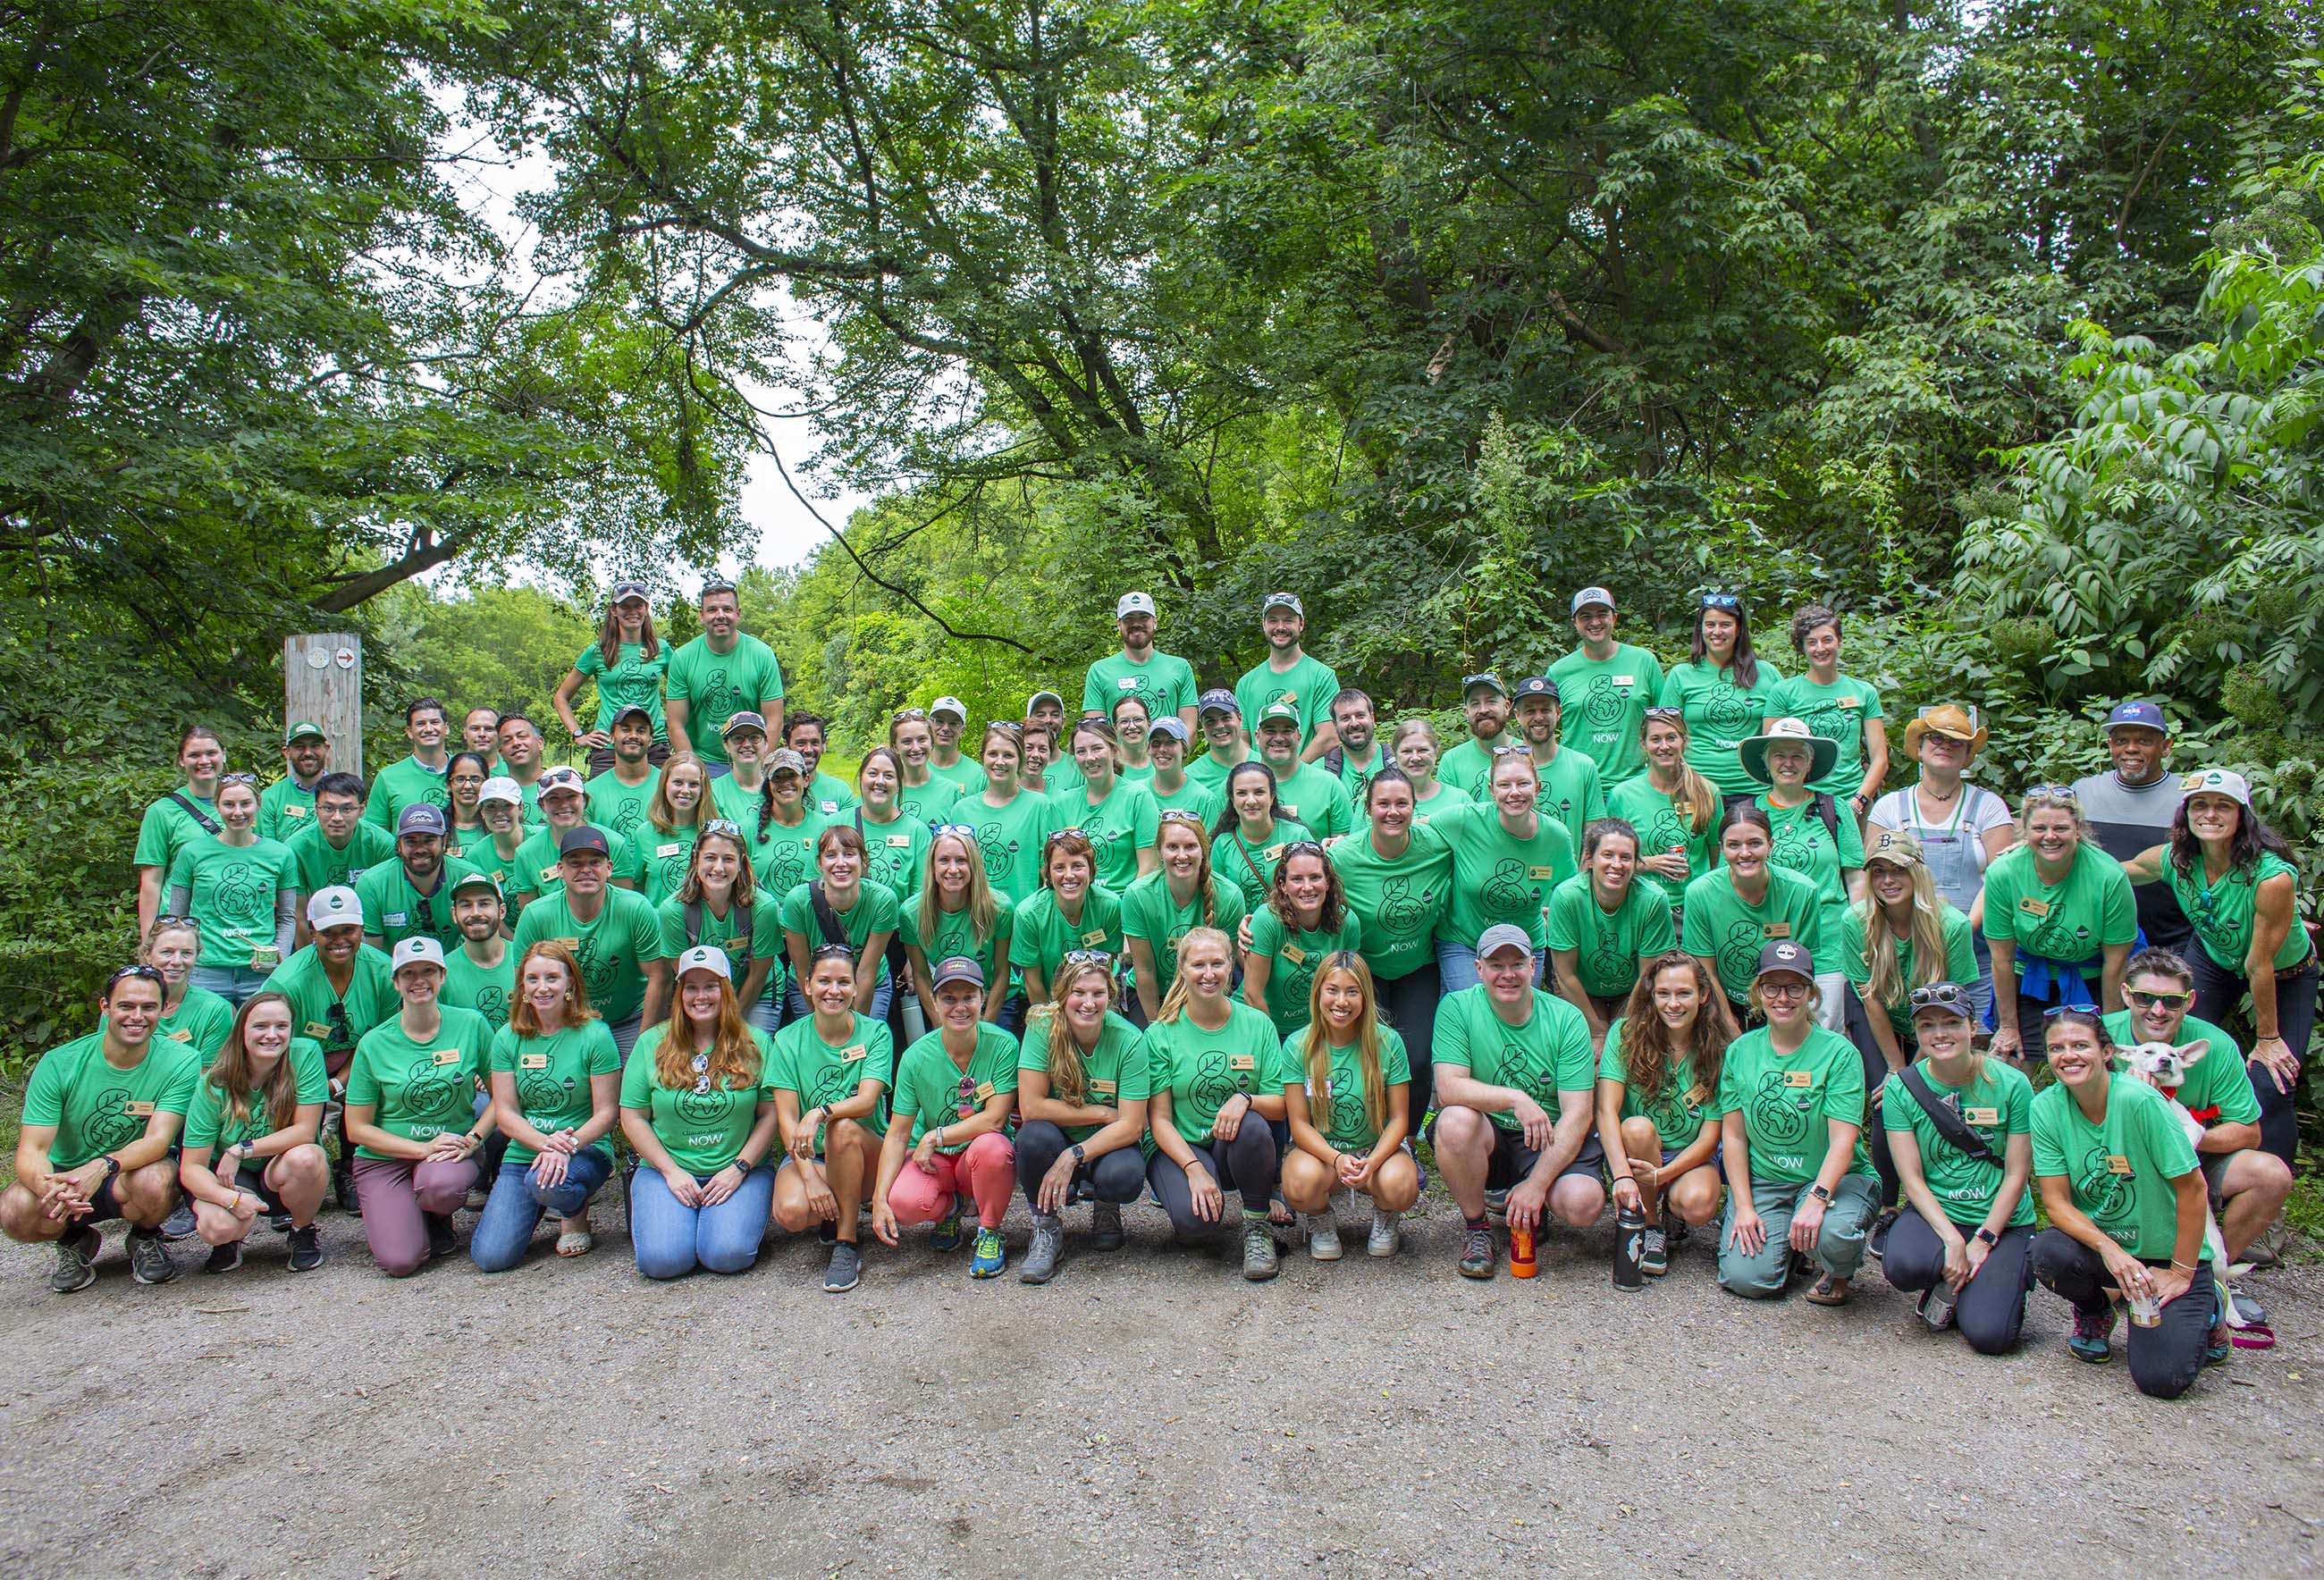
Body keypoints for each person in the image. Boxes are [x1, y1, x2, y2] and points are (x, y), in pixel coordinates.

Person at [2123, 769, 2312, 1174]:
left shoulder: (2271, 877)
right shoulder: (2175, 859)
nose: (2210, 814)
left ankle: (2267, 1179)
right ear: (2186, 814)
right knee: (2172, 1049)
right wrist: (2048, 852)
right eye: (2200, 805)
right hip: (2213, 957)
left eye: (2223, 806)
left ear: (2242, 815)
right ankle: (2182, 1161)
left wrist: (2268, 1039)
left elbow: (2258, 964)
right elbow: (2121, 871)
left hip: (2282, 972)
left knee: (2272, 1078)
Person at [2030, 1009, 2213, 1396]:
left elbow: (2194, 1188)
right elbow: (2057, 1203)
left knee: (2161, 1380)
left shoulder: (2140, 1101)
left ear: (2107, 1051)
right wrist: (2109, 1248)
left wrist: (2181, 1271)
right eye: (2057, 1048)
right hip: (2111, 1251)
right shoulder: (2045, 1107)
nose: (2068, 1055)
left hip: (2170, 1255)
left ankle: (2208, 1303)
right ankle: (2096, 1310)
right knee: (2048, 1252)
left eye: (2081, 1045)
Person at [2103, 949, 2289, 1287]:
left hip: (2192, 1156)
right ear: (2126, 995)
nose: (2158, 1011)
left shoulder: (2215, 1045)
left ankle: (2210, 1274)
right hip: (2117, 1157)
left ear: (2189, 1002)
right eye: (2145, 998)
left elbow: (2248, 1132)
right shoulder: (2099, 1037)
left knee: (2271, 1175)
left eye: (2171, 1002)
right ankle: (2110, 1275)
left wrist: (2184, 1134)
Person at [3, 965, 196, 1290]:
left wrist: (101, 1167)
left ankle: (146, 1237)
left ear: (163, 1010)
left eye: (148, 1007)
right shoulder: (59, 1063)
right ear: (105, 1007)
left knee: (157, 1180)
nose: (137, 1016)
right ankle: (74, 1239)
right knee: (14, 1210)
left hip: (126, 1172)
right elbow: (32, 1149)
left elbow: (158, 1140)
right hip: (65, 1175)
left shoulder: (180, 1060)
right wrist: (50, 1188)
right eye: (126, 1006)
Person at [1714, 939, 1880, 1304]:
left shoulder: (1839, 1054)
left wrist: (1817, 1199)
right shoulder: (1741, 1051)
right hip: (1768, 1182)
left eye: (1795, 987)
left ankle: (1838, 1268)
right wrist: (1743, 1206)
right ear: (1758, 993)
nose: (1782, 998)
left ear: (1811, 994)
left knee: (1832, 1236)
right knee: (1747, 1281)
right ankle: (1791, 1246)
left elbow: (1843, 1141)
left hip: (1832, 1180)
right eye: (1772, 987)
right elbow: (1735, 1137)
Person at [1431, 924, 1600, 1278]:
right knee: (1454, 1122)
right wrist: (1514, 1097)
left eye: (1517, 964)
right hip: (1491, 1136)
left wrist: (1537, 1185)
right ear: (1479, 969)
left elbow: (1579, 1113)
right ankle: (1477, 1229)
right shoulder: (1457, 1007)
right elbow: (1449, 1088)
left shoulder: (1567, 1019)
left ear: (1534, 966)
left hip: (1547, 1136)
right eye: (1496, 965)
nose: (1507, 974)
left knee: (1584, 1204)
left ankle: (1533, 1202)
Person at [1878, 981, 2038, 1352]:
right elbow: (1911, 1178)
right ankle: (1948, 1275)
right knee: (1902, 1265)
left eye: (1950, 1022)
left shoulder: (2012, 1084)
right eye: (1927, 1026)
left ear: (1972, 1026)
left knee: (1990, 1336)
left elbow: (2017, 1174)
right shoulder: (1904, 1088)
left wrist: (1982, 1241)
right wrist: (1952, 1239)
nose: (1940, 1034)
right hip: (1941, 1211)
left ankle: (1992, 1282)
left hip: (2002, 1219)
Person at [620, 945, 780, 1280]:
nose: (700, 996)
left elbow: (770, 1115)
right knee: (663, 1262)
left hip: (738, 1169)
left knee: (727, 1255)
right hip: (668, 1170)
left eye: (711, 986)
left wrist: (739, 1168)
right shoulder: (651, 1042)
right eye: (690, 987)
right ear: (679, 993)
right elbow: (632, 1116)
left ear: (727, 990)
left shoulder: (756, 1043)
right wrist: (670, 1172)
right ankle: (682, 1221)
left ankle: (725, 1224)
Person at [1839, 828, 1977, 1212]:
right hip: (1878, 1016)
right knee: (1887, 1100)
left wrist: (1913, 1071)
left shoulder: (1952, 925)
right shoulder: (1857, 921)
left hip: (1937, 1021)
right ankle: (1884, 1206)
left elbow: (1952, 1007)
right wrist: (1897, 1069)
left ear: (1918, 871)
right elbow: (1870, 998)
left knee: (1927, 1097)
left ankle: (1938, 1200)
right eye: (1878, 871)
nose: (1887, 880)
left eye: (1897, 870)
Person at [1141, 927, 1288, 1280]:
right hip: (1182, 1144)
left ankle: (1256, 1226)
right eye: (1199, 965)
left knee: (1252, 1123)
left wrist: (1245, 1099)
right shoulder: (1161, 1034)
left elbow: (1281, 1104)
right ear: (1182, 970)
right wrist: (1193, 1169)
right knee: (1196, 1225)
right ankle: (1197, 1196)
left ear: (1230, 968)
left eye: (1218, 964)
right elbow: (1158, 1121)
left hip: (1234, 1142)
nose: (1209, 974)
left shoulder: (1257, 1024)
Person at [345, 938, 496, 1274]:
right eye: (408, 973)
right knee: (400, 1262)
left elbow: (503, 1096)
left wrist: (474, 1138)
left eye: (428, 970)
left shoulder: (471, 1025)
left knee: (439, 1187)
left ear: (443, 975)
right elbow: (357, 1128)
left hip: (450, 1151)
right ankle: (411, 1217)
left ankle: (435, 1214)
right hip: (385, 1158)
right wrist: (420, 1148)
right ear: (395, 981)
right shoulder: (373, 1043)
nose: (419, 980)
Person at [471, 939, 622, 1269]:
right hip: (526, 1152)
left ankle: (573, 1212)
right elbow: (505, 1112)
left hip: (584, 1149)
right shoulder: (507, 1038)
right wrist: (543, 1144)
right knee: (490, 1258)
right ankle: (541, 1197)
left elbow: (608, 1113)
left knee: (544, 1181)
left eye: (552, 978)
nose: (542, 987)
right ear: (522, 986)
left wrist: (564, 1146)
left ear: (570, 983)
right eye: (533, 979)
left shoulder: (596, 1035)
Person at [1868, 704, 2017, 1021]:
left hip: (1975, 947)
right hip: (1904, 948)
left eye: (1956, 741)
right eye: (1935, 738)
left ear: (1967, 755)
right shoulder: (1890, 807)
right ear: (1919, 749)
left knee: (1974, 1034)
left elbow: (2001, 881)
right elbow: (1874, 878)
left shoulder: (1989, 807)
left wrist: (1961, 929)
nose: (1945, 746)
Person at [872, 956, 1018, 1277]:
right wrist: (879, 1197)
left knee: (994, 1148)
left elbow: (994, 1119)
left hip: (975, 1154)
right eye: (949, 999)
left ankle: (989, 1231)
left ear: (983, 999)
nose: (960, 1007)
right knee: (904, 1203)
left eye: (969, 997)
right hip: (935, 1160)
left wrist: (934, 1136)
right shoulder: (915, 1057)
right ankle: (949, 1211)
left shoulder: (1003, 1045)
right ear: (934, 1004)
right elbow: (897, 1134)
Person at [1014, 954, 1151, 1282]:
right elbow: (1031, 1107)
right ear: (1062, 994)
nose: (1088, 1003)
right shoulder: (1041, 1027)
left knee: (1126, 1175)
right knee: (1031, 1140)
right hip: (1059, 1134)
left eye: (1098, 994)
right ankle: (1045, 1229)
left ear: (1111, 996)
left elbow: (1132, 1125)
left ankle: (1106, 1207)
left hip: (1107, 1143)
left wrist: (1074, 1155)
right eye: (1079, 992)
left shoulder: (1129, 1040)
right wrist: (1102, 1112)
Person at [1326, 770, 1452, 1122]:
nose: (1393, 812)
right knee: (1366, 1053)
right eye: (1383, 804)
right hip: (1365, 969)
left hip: (1419, 966)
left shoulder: (1439, 846)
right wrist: (1254, 922)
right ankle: (1363, 1132)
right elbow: (1305, 893)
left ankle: (1408, 1137)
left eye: (1402, 803)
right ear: (1368, 809)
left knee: (1417, 1056)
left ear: (1415, 807)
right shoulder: (1343, 857)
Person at [1596, 952, 1733, 1275]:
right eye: (1663, 994)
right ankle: (1651, 1225)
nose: (1673, 1004)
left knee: (1700, 1205)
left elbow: (1711, 1135)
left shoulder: (1719, 1047)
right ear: (1651, 995)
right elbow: (1605, 1110)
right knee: (1638, 1129)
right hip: (1638, 1149)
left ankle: (1671, 1205)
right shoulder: (1626, 1033)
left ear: (1703, 995)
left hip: (1689, 1153)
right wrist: (1623, 1177)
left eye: (1684, 993)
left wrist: (1662, 1176)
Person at [1278, 953, 1419, 1260]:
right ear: (1318, 993)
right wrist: (1336, 1157)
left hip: (1375, 1150)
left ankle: (1385, 1215)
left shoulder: (1388, 1043)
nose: (1341, 1001)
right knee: (1299, 1182)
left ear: (1365, 996)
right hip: (1322, 1153)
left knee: (1402, 1186)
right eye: (1333, 990)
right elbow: (1299, 1124)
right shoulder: (1298, 1047)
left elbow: (1399, 1120)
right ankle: (1320, 1220)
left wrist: (1373, 1160)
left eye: (1352, 992)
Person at [263, 887, 397, 1209]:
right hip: (299, 1062)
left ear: (362, 930)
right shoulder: (289, 980)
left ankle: (351, 1167)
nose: (340, 940)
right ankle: (291, 1175)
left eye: (348, 930)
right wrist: (313, 1086)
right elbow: (270, 1040)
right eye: (328, 932)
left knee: (378, 1083)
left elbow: (385, 1038)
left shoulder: (382, 970)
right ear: (312, 933)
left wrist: (341, 1081)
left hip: (362, 1058)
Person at [176, 990, 328, 1274]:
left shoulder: (304, 1055)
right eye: (260, 1026)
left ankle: (302, 1229)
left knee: (308, 1157)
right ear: (241, 1030)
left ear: (291, 1029)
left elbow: (306, 1131)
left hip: (279, 1168)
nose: (271, 1035)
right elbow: (191, 1169)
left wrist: (241, 1148)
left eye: (281, 1027)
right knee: (217, 1227)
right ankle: (230, 1241)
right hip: (231, 1178)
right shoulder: (214, 1083)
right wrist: (231, 1200)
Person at [770, 944, 893, 1293]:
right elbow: (785, 1120)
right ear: (807, 985)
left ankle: (846, 1241)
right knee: (791, 1213)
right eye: (824, 981)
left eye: (843, 982)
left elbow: (867, 1101)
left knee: (842, 1127)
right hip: (814, 1158)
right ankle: (840, 1206)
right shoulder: (787, 1041)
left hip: (865, 1153)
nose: (833, 991)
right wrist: (809, 1178)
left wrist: (820, 1112)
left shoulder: (875, 1034)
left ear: (856, 988)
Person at [1983, 786, 2137, 1062]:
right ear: (2025, 830)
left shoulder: (2108, 875)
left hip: (2092, 975)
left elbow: (2115, 964)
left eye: (2061, 829)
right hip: (2028, 975)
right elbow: (2001, 958)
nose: (2050, 837)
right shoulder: (2003, 872)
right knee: (2013, 1061)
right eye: (2040, 828)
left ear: (2077, 829)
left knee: (2092, 1062)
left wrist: (2111, 1031)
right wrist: (2007, 1026)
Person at [1740, 717, 1865, 1030]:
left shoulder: (1834, 810)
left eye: (1797, 755)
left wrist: (1861, 936)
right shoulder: (1748, 813)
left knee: (1826, 1029)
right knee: (1773, 1029)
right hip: (1766, 941)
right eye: (1779, 755)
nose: (1788, 763)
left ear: (1810, 763)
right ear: (1766, 763)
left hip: (1828, 942)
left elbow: (1856, 879)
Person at [509, 828, 669, 1055]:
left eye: (595, 862)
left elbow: (658, 976)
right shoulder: (537, 915)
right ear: (560, 870)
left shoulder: (636, 908)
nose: (586, 870)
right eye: (575, 863)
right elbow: (523, 980)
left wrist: (643, 1043)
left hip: (630, 1019)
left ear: (609, 868)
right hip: (565, 1019)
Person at [1427, 750, 1576, 994]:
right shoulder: (1466, 821)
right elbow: (1406, 829)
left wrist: (1557, 913)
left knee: (1514, 1013)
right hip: (1465, 941)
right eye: (1504, 785)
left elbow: (1571, 890)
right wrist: (1347, 844)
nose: (1514, 792)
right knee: (1474, 1008)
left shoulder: (1556, 837)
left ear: (1537, 788)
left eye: (1523, 783)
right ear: (1491, 790)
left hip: (1524, 944)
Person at [164, 772, 299, 1005]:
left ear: (258, 803)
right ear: (217, 806)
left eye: (245, 804)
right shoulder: (192, 853)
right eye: (229, 804)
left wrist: (279, 954)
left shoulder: (281, 854)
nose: (238, 812)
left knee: (259, 1037)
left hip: (259, 970)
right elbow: (177, 917)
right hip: (206, 969)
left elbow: (287, 916)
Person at [1681, 803, 1823, 1022]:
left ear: (1771, 845)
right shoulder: (1700, 893)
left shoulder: (1802, 892)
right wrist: (1728, 1024)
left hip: (1782, 1000)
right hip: (1723, 1002)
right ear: (1722, 848)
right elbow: (1706, 971)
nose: (1744, 853)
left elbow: (1801, 969)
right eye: (1734, 845)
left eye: (1754, 843)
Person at [2073, 699, 2191, 954]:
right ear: (2110, 746)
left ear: (2166, 746)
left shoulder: (2190, 798)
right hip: (2095, 939)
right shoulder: (2082, 793)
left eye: (2144, 741)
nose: (2131, 749)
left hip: (2174, 939)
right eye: (2121, 741)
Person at [1548, 819, 1677, 1047]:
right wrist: (1597, 1030)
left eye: (1626, 858)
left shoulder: (1652, 900)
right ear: (1589, 859)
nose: (1617, 865)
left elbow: (1648, 976)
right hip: (1581, 989)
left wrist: (1619, 1029)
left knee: (1626, 1047)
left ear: (1636, 863)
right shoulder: (1567, 897)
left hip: (1633, 991)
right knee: (1590, 1049)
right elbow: (1565, 975)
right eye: (1608, 855)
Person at [1124, 810, 1247, 1022]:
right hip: (1154, 995)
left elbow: (1226, 965)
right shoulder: (1138, 895)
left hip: (1208, 990)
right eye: (1173, 847)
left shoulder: (1229, 896)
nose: (1182, 856)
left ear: (1203, 850)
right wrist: (1157, 1026)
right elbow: (1145, 970)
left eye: (1190, 846)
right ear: (1160, 852)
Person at [1658, 592, 1782, 803]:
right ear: (1701, 629)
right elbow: (1665, 734)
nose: (1717, 632)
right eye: (1710, 625)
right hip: (1697, 788)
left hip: (1755, 789)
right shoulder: (1681, 675)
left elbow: (1784, 733)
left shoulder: (1767, 674)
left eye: (1725, 625)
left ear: (1739, 629)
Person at [657, 825, 782, 1033]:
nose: (719, 868)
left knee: (748, 1052)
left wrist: (729, 1025)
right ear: (696, 858)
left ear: (741, 863)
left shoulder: (763, 908)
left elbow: (758, 975)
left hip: (755, 993)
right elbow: (688, 979)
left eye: (728, 859)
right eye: (710, 858)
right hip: (702, 995)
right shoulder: (673, 911)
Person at [662, 576, 784, 774]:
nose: (720, 615)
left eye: (727, 609)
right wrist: (692, 769)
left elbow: (774, 720)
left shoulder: (762, 654)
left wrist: (759, 766)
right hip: (704, 761)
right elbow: (676, 723)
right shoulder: (683, 657)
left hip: (751, 760)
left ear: (738, 614)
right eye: (712, 610)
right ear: (702, 615)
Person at [779, 825, 901, 1021]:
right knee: (819, 1045)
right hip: (812, 984)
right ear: (819, 863)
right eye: (831, 855)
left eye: (850, 854)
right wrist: (824, 1023)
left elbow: (866, 972)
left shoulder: (883, 900)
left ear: (864, 861)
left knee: (863, 1043)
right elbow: (803, 970)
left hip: (869, 983)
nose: (841, 863)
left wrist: (854, 1030)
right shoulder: (797, 902)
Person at [1772, 605, 1887, 811]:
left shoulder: (1864, 692)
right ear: (1802, 648)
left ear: (1839, 641)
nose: (1820, 648)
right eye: (1811, 642)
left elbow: (1880, 759)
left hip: (1852, 799)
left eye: (1827, 640)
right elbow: (1772, 755)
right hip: (1799, 802)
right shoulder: (1783, 692)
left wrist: (1858, 801)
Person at [1606, 709, 1720, 913]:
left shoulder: (1707, 792)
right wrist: (1648, 863)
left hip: (1695, 908)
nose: (1664, 746)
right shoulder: (1623, 795)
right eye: (1656, 739)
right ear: (1644, 744)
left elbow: (1716, 855)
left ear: (1683, 741)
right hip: (1642, 906)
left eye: (1671, 738)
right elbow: (1607, 862)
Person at [1244, 843, 1364, 1038]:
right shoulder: (1267, 920)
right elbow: (1252, 994)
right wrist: (1273, 1042)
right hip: (1268, 1026)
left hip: (1319, 1028)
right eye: (1297, 879)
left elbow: (1349, 985)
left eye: (1315, 877)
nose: (1307, 887)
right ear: (1283, 886)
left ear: (1327, 882)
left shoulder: (1347, 923)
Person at [1549, 587, 1663, 786]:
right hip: (1579, 783)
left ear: (1615, 618)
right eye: (1585, 616)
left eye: (1602, 614)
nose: (1595, 622)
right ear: (1574, 623)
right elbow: (1542, 728)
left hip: (1636, 783)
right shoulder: (1558, 672)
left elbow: (1666, 721)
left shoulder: (1644, 661)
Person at [555, 580, 671, 773]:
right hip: (609, 746)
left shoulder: (662, 649)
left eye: (638, 605)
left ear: (646, 609)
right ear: (614, 610)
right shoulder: (598, 651)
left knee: (659, 802)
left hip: (654, 744)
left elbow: (682, 693)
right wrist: (578, 735)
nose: (632, 611)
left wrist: (673, 725)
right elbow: (561, 698)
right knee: (601, 801)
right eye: (625, 606)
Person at [905, 827, 1013, 1027]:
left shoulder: (1000, 908)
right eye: (944, 860)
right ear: (932, 865)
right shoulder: (911, 913)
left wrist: (986, 1025)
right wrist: (941, 1026)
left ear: (974, 865)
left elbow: (1001, 970)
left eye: (961, 860)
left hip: (993, 1001)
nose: (953, 869)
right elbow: (920, 973)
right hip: (945, 1006)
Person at [1008, 829, 1124, 1007]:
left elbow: (1106, 972)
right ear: (1048, 872)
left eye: (1077, 866)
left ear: (1091, 870)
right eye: (1059, 867)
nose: (1069, 875)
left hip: (1092, 1003)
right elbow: (1034, 983)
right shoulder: (1029, 914)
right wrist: (1051, 1022)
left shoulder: (1110, 906)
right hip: (1044, 1001)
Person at [134, 724, 227, 939]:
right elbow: (151, 881)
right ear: (181, 760)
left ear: (223, 755)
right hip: (181, 929)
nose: (204, 761)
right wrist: (149, 940)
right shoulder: (161, 812)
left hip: (232, 924)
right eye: (194, 755)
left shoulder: (244, 807)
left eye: (211, 753)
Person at [1051, 718, 1159, 892]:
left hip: (1125, 904)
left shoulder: (1137, 797)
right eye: (1081, 751)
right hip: (1078, 904)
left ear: (1114, 750)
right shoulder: (1062, 804)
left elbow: (1149, 866)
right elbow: (1054, 867)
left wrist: (1127, 908)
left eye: (1097, 748)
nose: (1090, 758)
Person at [358, 804, 483, 954]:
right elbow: (373, 956)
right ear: (398, 845)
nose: (420, 849)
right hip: (394, 973)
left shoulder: (469, 878)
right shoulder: (372, 884)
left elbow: (479, 948)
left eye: (429, 840)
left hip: (454, 972)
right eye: (411, 841)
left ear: (444, 842)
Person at [512, 765, 641, 910]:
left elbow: (625, 904)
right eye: (554, 798)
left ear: (584, 800)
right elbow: (531, 914)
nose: (563, 804)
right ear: (543, 805)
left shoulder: (613, 843)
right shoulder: (526, 853)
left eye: (571, 796)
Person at [1234, 592, 1341, 761]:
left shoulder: (1322, 676)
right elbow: (1241, 741)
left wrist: (1292, 773)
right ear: (1264, 625)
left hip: (1306, 781)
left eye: (1289, 620)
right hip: (1260, 784)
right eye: (1273, 620)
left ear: (1301, 624)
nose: (1280, 627)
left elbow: (1329, 736)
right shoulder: (1246, 683)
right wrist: (1260, 777)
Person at [961, 721, 1053, 911]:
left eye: (1009, 755)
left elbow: (1050, 871)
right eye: (993, 754)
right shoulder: (962, 810)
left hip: (1024, 918)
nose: (1000, 762)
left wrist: (1036, 916)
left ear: (1020, 759)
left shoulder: (1039, 805)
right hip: (975, 917)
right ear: (982, 757)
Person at [1509, 675, 1604, 852]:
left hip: (1569, 876)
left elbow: (1594, 834)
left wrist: (1582, 877)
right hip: (1517, 875)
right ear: (1517, 715)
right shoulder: (1501, 769)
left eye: (1545, 710)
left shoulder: (1583, 767)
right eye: (1530, 711)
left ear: (1558, 712)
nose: (1538, 717)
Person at [1084, 590, 1200, 735]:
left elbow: (1189, 730)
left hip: (1167, 756)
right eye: (1129, 619)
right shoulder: (1099, 671)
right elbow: (1095, 733)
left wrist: (1172, 755)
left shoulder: (1179, 667)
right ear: (1119, 624)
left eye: (1144, 617)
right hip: (1117, 758)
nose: (1136, 624)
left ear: (1155, 622)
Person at [286, 771, 394, 922]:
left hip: (369, 926)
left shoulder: (383, 844)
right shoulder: (296, 848)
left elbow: (390, 908)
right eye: (328, 808)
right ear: (316, 809)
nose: (337, 818)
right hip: (319, 929)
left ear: (362, 810)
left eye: (347, 809)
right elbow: (298, 915)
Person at [1209, 761, 1312, 912]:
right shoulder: (1222, 845)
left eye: (1259, 792)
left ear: (1272, 797)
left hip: (1290, 930)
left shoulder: (1297, 836)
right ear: (1232, 799)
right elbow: (1218, 901)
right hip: (1242, 933)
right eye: (1242, 793)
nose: (1251, 801)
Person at [136, 916, 236, 1063]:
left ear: (197, 956)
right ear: (148, 955)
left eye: (187, 953)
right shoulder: (123, 1003)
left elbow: (206, 1076)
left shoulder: (216, 1010)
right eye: (167, 952)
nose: (177, 961)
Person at [1251, 701, 1354, 838]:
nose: (1279, 738)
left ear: (1299, 737)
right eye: (1270, 731)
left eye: (1287, 731)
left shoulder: (1328, 785)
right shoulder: (1239, 786)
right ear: (1257, 737)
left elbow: (1343, 849)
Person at [749, 745, 831, 897]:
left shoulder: (824, 827)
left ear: (805, 780)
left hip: (811, 918)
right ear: (768, 784)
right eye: (777, 777)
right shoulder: (748, 828)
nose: (785, 782)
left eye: (791, 775)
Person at [852, 746, 931, 900]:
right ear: (861, 777)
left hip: (897, 922)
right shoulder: (835, 823)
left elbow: (920, 899)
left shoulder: (917, 832)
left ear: (899, 784)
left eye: (889, 776)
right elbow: (816, 887)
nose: (880, 781)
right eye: (873, 774)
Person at [363, 697, 454, 832]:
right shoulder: (388, 777)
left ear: (446, 728)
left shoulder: (466, 772)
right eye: (420, 724)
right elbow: (374, 834)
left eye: (434, 722)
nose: (428, 729)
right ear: (409, 732)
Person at [442, 870, 516, 1032]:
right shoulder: (441, 973)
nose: (475, 913)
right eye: (466, 905)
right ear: (454, 914)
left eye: (484, 903)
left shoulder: (527, 962)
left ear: (502, 911)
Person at [639, 753, 713, 905]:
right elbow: (636, 888)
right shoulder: (645, 834)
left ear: (703, 790)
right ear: (665, 784)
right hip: (660, 926)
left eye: (693, 784)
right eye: (678, 782)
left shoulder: (715, 833)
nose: (685, 790)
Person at [583, 706, 663, 845]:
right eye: (625, 729)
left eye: (641, 731)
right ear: (612, 738)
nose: (633, 735)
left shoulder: (668, 785)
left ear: (650, 740)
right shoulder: (589, 792)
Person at [1437, 672, 1514, 799]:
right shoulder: (1451, 761)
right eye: (1475, 704)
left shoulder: (1527, 752)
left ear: (1506, 707)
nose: (1483, 710)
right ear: (1466, 713)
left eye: (1491, 701)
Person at [1386, 718, 1471, 827]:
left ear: (1436, 752)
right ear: (1394, 754)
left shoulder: (1459, 799)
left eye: (1423, 750)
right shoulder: (1380, 800)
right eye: (1406, 751)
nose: (1415, 758)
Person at [257, 720, 331, 843]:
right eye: (300, 747)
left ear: (326, 749)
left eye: (315, 746)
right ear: (287, 753)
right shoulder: (270, 798)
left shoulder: (344, 794)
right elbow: (267, 849)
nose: (308, 752)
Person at [464, 776, 529, 911]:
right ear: (481, 812)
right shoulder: (476, 856)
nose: (499, 813)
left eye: (507, 805)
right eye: (491, 806)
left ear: (521, 807)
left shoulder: (542, 840)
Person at [889, 710, 963, 824]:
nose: (916, 748)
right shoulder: (885, 789)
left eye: (922, 740)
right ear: (895, 747)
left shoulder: (950, 791)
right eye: (907, 742)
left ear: (932, 743)